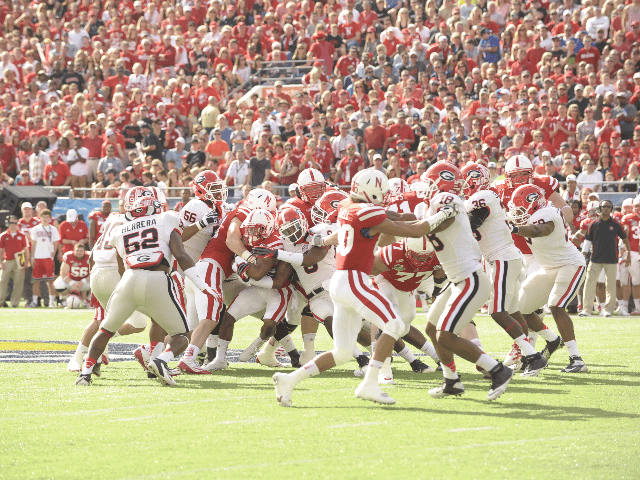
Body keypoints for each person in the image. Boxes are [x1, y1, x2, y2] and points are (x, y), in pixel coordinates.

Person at [270, 168, 459, 407]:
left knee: (343, 353)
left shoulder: (348, 205)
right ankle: (371, 383)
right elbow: (416, 231)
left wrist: (324, 241)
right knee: (395, 324)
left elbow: (358, 227)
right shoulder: (368, 212)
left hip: (339, 281)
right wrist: (443, 214)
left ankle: (289, 380)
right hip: (354, 281)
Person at [75, 196, 217, 386]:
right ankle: (160, 360)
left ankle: (85, 374)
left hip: (128, 279)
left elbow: (121, 266)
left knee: (105, 330)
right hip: (157, 278)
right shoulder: (166, 218)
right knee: (182, 335)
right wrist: (202, 286)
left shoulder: (120, 229)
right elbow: (181, 254)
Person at [509, 184, 589, 373]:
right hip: (549, 268)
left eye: (521, 208)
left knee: (555, 305)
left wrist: (513, 228)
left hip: (571, 264)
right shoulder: (534, 215)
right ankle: (552, 340)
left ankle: (576, 359)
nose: (517, 213)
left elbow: (539, 231)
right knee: (520, 309)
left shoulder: (547, 213)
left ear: (534, 204)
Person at [580, 199, 631, 317]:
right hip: (595, 259)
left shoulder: (616, 224)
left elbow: (625, 239)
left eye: (608, 207)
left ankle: (608, 310)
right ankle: (586, 310)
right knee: (589, 283)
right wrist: (584, 253)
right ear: (600, 208)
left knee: (611, 285)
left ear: (611, 209)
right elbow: (588, 240)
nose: (606, 208)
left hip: (612, 259)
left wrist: (628, 252)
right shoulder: (594, 224)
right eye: (603, 207)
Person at [29, 209, 60, 308]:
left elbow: (56, 243)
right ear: (40, 217)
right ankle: (34, 301)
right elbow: (33, 244)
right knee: (36, 280)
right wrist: (32, 257)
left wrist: (52, 255)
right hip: (38, 257)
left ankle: (51, 302)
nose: (46, 219)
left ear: (50, 218)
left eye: (47, 217)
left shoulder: (53, 229)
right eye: (44, 217)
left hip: (48, 257)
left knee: (51, 280)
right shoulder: (35, 229)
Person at [0, 216, 30, 308]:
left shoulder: (22, 235)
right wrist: (1, 262)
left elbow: (26, 249)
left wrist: (26, 261)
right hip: (7, 259)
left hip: (20, 259)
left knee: (19, 282)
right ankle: (1, 301)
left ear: (17, 224)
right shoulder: (3, 235)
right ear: (8, 224)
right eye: (11, 223)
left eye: (15, 223)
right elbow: (1, 250)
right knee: (2, 281)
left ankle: (15, 302)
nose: (13, 225)